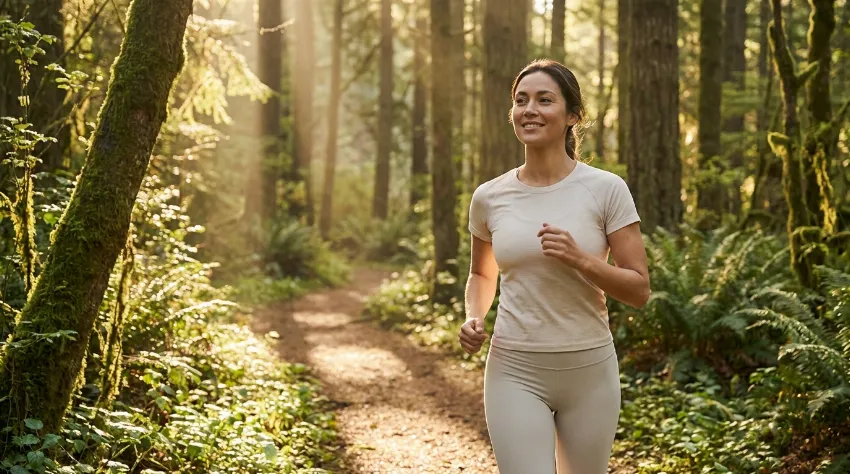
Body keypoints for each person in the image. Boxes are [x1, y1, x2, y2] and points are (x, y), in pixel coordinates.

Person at [458, 59, 651, 474]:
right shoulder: (490, 197)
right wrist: (474, 316)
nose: (530, 109)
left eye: (545, 100)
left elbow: (638, 289)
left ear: (572, 116)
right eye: (521, 100)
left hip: (589, 372)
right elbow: (481, 274)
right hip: (514, 368)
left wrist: (581, 259)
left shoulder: (606, 190)